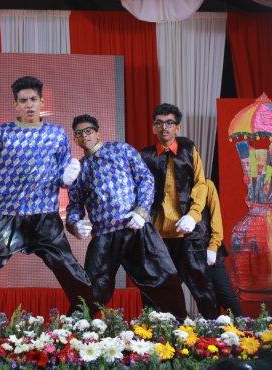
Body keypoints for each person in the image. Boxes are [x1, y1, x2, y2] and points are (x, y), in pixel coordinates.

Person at [0, 76, 93, 315]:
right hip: (7, 216)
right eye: (23, 101)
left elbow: (66, 177)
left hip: (44, 216)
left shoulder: (56, 134)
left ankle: (82, 319)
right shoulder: (3, 133)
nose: (29, 105)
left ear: (42, 102)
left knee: (69, 268)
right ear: (16, 105)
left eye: (33, 99)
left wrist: (68, 186)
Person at [66, 114, 187, 319]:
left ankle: (180, 325)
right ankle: (74, 330)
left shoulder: (121, 149)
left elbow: (145, 178)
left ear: (97, 133)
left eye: (88, 131)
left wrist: (141, 210)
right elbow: (75, 204)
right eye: (79, 133)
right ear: (75, 139)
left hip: (136, 227)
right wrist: (74, 224)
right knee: (93, 286)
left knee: (163, 277)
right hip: (104, 235)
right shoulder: (80, 168)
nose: (84, 136)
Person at [140, 103, 218, 318]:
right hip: (158, 235)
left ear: (178, 128)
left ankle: (214, 330)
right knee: (156, 288)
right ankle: (157, 330)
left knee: (202, 285)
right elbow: (139, 189)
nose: (164, 128)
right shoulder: (145, 155)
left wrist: (193, 215)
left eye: (169, 123)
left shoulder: (188, 149)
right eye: (159, 123)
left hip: (188, 232)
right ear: (153, 127)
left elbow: (201, 184)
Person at [203, 179, 242, 316]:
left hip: (208, 248)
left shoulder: (207, 185)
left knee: (225, 296)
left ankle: (242, 326)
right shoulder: (174, 185)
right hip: (185, 251)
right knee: (205, 298)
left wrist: (213, 246)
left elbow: (216, 219)